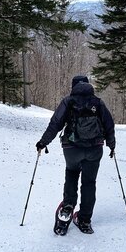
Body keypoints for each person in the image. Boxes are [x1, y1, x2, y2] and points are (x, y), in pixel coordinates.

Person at [36, 75, 116, 234]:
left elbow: (55, 124)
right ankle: (85, 220)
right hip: (94, 149)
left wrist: (43, 142)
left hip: (72, 149)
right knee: (89, 182)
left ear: (73, 86)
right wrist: (111, 146)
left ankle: (67, 209)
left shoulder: (68, 101)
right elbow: (109, 124)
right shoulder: (98, 103)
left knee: (71, 173)